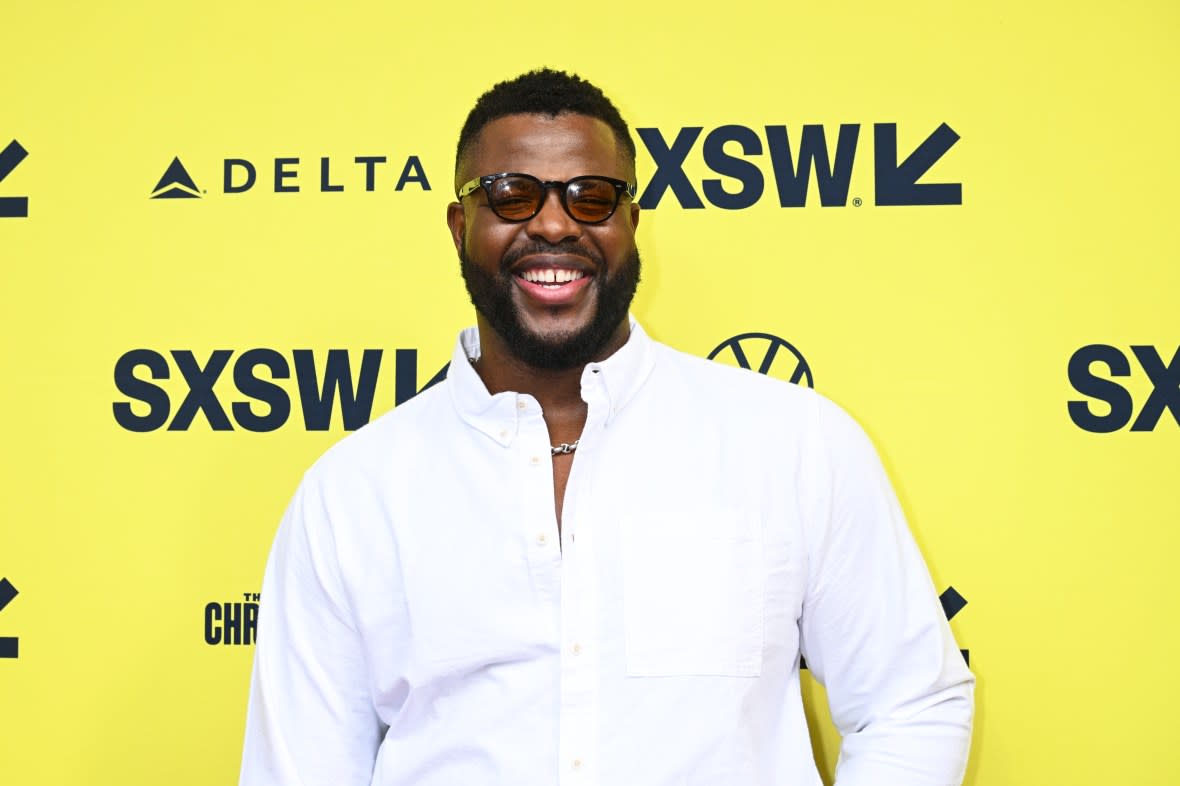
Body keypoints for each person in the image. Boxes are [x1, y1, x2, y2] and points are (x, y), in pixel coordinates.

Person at [239, 68, 974, 786]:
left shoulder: (794, 444)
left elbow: (910, 705)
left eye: (592, 197)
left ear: (630, 223)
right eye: (512, 195)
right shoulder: (353, 491)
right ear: (462, 226)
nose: (554, 223)